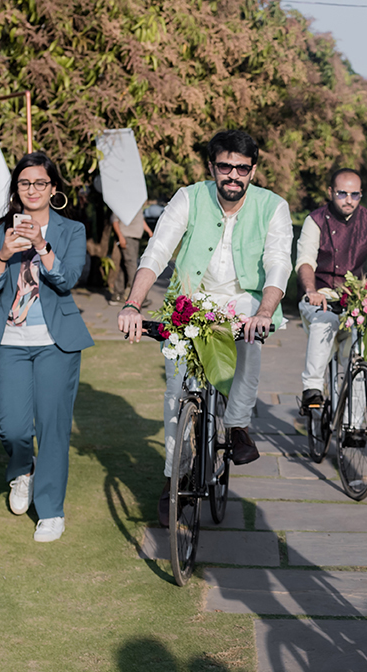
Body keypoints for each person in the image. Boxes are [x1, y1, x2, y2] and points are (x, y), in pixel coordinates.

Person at [117, 130, 292, 528]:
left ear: (253, 170)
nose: (233, 175)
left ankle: (237, 424)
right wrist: (132, 303)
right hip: (192, 300)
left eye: (242, 168)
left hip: (246, 300)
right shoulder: (189, 197)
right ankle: (173, 476)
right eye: (225, 166)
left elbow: (278, 261)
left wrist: (265, 312)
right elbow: (158, 250)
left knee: (250, 337)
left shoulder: (273, 206)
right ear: (212, 166)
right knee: (177, 391)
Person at [0, 151, 92, 542]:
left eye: (40, 182)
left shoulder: (71, 230)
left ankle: (51, 512)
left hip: (55, 343)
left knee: (53, 426)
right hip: (8, 339)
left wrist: (42, 245)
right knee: (12, 428)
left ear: (53, 188)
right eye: (25, 183)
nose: (32, 189)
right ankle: (22, 470)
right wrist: (4, 255)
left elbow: (68, 278)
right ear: (16, 189)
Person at [296, 168, 367, 414]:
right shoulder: (315, 220)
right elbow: (305, 261)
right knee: (325, 319)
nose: (349, 200)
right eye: (342, 193)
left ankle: (356, 423)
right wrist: (312, 291)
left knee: (358, 354)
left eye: (355, 194)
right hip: (321, 296)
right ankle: (312, 389)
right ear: (330, 192)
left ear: (361, 194)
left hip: (355, 300)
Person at [110, 206, 153, 304]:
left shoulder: (136, 203)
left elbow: (140, 220)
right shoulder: (120, 203)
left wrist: (149, 232)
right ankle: (140, 297)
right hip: (126, 237)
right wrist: (120, 237)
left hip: (135, 238)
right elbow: (114, 221)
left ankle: (117, 294)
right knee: (132, 267)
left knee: (124, 266)